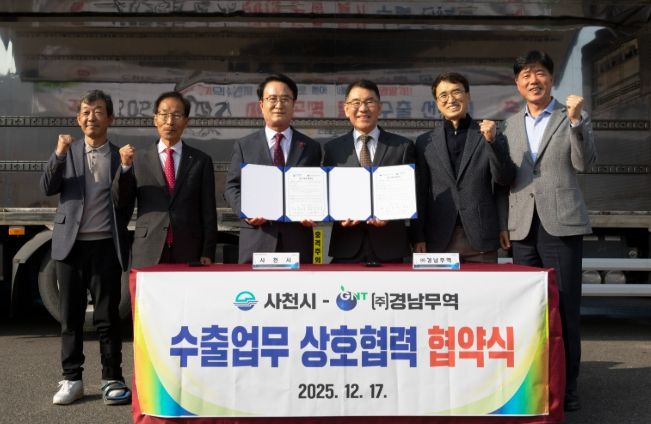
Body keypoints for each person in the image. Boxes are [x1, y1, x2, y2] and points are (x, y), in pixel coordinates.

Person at [501, 50, 596, 411]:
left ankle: (568, 386)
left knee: (565, 307)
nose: (533, 80)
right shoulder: (509, 125)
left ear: (551, 78)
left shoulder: (571, 116)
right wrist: (503, 224)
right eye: (525, 75)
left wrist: (575, 122)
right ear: (517, 83)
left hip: (562, 224)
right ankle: (534, 381)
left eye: (539, 73)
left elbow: (584, 164)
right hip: (522, 227)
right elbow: (503, 180)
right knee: (527, 311)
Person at [40, 90, 132, 405]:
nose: (91, 117)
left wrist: (127, 169)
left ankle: (112, 378)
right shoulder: (68, 151)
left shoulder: (119, 155)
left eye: (98, 111)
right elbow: (48, 187)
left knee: (107, 318)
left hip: (105, 246)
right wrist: (59, 152)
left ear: (110, 118)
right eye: (85, 112)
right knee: (70, 318)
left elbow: (125, 202)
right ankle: (71, 379)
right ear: (79, 119)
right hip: (70, 247)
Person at [413, 72, 515, 262]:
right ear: (437, 103)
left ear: (468, 96)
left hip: (481, 236)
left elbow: (503, 181)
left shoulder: (489, 134)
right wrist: (418, 235)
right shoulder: (424, 142)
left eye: (456, 92)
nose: (451, 99)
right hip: (438, 238)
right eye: (443, 95)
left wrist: (492, 142)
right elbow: (420, 192)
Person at [224, 74, 322, 263]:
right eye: (272, 99)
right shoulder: (245, 146)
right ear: (261, 105)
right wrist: (246, 211)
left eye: (285, 99)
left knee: (298, 284)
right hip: (257, 239)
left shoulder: (311, 147)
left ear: (294, 105)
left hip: (297, 240)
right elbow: (231, 187)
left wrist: (315, 212)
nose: (279, 104)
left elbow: (318, 189)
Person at [114, 91, 217, 267]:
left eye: (177, 115)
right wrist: (124, 168)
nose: (170, 121)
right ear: (155, 119)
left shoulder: (200, 160)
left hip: (189, 249)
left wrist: (208, 251)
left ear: (186, 121)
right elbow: (120, 201)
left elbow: (208, 210)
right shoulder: (138, 159)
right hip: (148, 248)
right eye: (164, 114)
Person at [323, 79, 416, 263]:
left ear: (380, 107)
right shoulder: (332, 149)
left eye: (369, 102)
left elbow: (413, 194)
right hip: (346, 245)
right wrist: (338, 216)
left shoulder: (402, 146)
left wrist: (392, 215)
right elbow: (327, 193)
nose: (363, 108)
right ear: (346, 109)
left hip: (390, 246)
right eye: (356, 102)